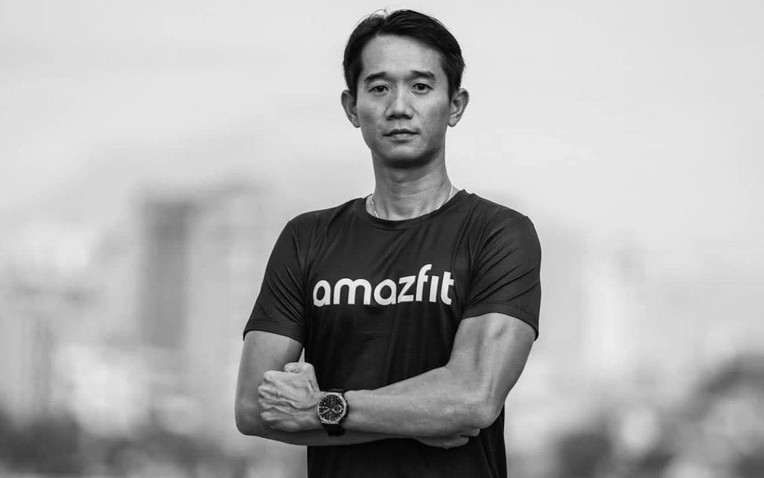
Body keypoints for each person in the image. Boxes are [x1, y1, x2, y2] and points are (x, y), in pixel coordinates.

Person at [235, 9, 541, 478]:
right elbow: (254, 408)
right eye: (379, 88)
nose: (399, 106)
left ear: (455, 105)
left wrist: (324, 407)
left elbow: (472, 399)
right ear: (351, 107)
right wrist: (418, 415)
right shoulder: (306, 238)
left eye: (420, 86)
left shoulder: (497, 233)